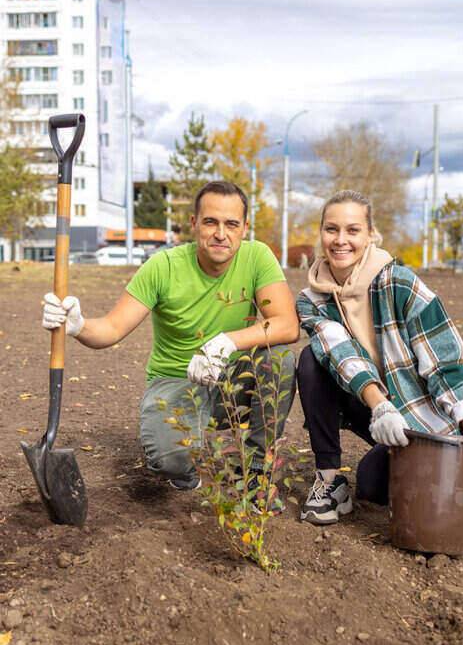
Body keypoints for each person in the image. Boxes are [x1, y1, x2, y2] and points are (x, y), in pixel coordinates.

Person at [42, 181, 299, 499]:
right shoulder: (162, 267)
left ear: (244, 228)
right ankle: (188, 467)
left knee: (279, 360)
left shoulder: (257, 257)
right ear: (193, 224)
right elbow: (111, 328)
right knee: (169, 461)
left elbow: (287, 325)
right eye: (210, 222)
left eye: (231, 223)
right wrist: (78, 325)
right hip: (175, 382)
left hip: (230, 381)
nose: (221, 233)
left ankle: (257, 469)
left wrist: (226, 343)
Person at [295, 190, 463, 526]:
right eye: (331, 229)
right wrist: (380, 406)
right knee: (310, 360)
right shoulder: (312, 299)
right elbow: (339, 353)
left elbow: (446, 359)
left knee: (373, 485)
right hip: (373, 406)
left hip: (419, 415)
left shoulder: (400, 284)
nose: (340, 240)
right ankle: (329, 480)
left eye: (352, 230)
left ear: (370, 235)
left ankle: (409, 455)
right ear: (320, 233)